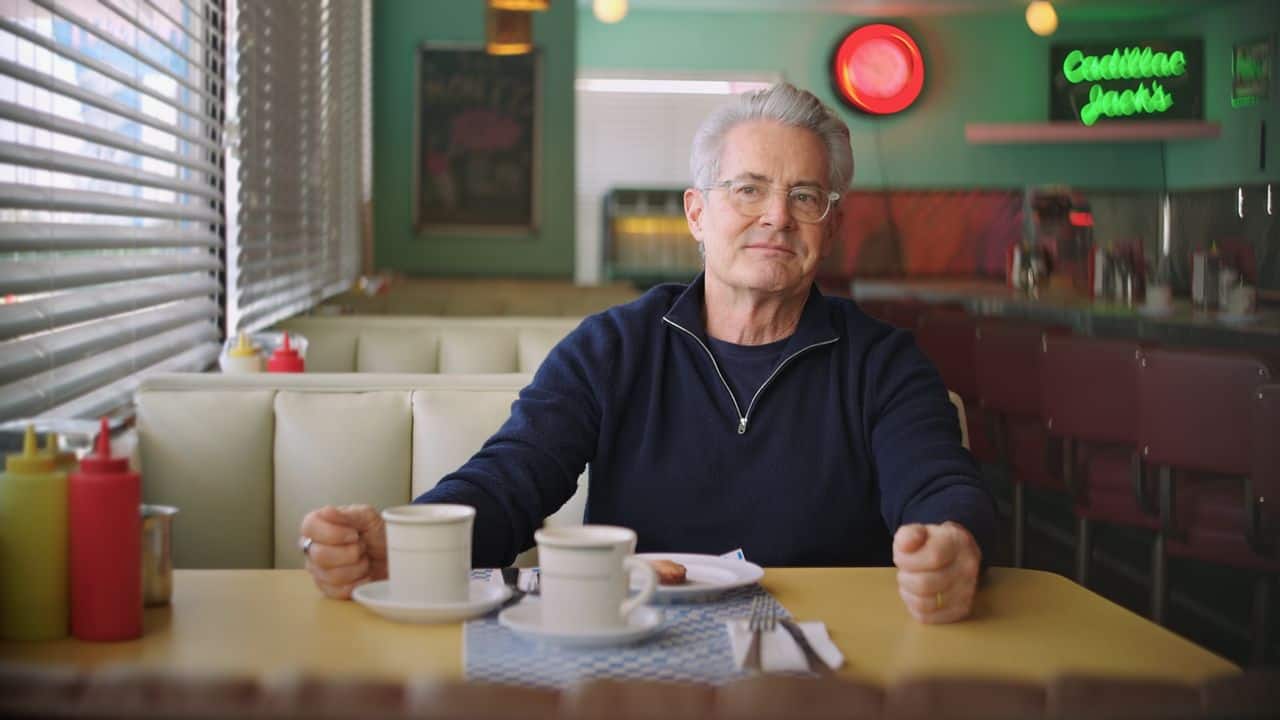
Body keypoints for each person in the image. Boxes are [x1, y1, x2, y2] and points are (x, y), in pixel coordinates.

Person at [300, 82, 996, 624]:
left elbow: (939, 486)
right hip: (632, 646)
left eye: (804, 196)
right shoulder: (613, 347)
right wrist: (403, 542)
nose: (777, 216)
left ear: (831, 226)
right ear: (697, 213)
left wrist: (952, 545)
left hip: (831, 663)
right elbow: (509, 480)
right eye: (748, 189)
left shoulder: (885, 363)